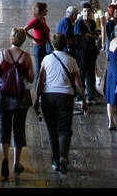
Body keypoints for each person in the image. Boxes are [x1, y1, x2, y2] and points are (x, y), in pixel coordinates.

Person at [35, 32, 86, 173]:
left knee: (51, 130)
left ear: (52, 44)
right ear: (65, 44)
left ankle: (55, 160)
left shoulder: (46, 59)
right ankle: (63, 157)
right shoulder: (71, 60)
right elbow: (78, 83)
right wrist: (84, 100)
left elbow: (40, 80)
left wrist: (37, 99)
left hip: (48, 96)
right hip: (65, 97)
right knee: (64, 129)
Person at [0, 28, 33, 180]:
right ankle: (16, 163)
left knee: (4, 128)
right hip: (21, 97)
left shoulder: (2, 54)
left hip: (4, 97)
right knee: (19, 128)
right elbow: (31, 78)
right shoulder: (26, 57)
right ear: (23, 40)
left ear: (11, 38)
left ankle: (5, 159)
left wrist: (4, 75)